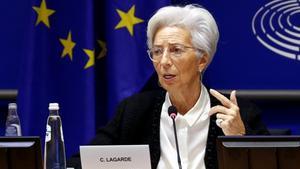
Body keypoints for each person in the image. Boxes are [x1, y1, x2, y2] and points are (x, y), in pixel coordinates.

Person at [67, 4, 269, 169]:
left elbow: (270, 164)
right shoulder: (134, 112)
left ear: (202, 60)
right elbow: (83, 162)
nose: (163, 61)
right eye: (156, 51)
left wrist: (240, 138)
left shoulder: (239, 114)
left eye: (176, 50)